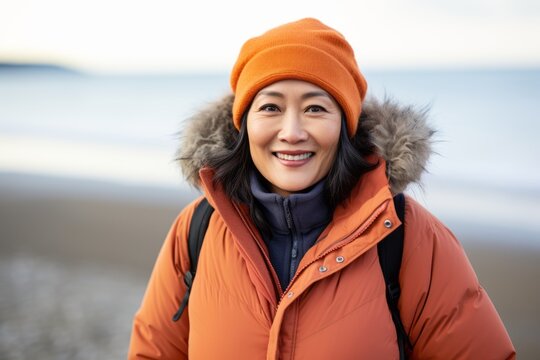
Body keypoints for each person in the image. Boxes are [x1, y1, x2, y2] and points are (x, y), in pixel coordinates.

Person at [128, 18, 515, 359]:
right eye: (270, 107)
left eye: (315, 108)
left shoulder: (409, 236)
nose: (292, 132)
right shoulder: (197, 230)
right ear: (243, 126)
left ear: (344, 125)